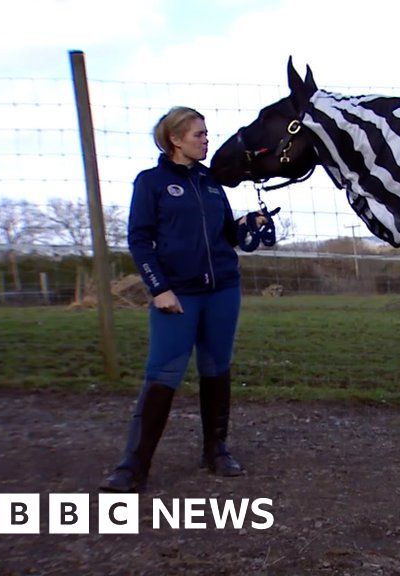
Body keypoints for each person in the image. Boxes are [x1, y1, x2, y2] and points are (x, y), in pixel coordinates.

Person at [101, 106, 260, 492]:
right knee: (163, 373)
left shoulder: (211, 182)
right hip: (178, 294)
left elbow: (227, 235)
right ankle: (134, 464)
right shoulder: (151, 182)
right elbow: (139, 240)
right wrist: (159, 288)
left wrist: (247, 225)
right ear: (175, 139)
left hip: (223, 289)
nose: (206, 140)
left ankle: (216, 450)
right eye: (199, 135)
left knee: (216, 368)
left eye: (206, 134)